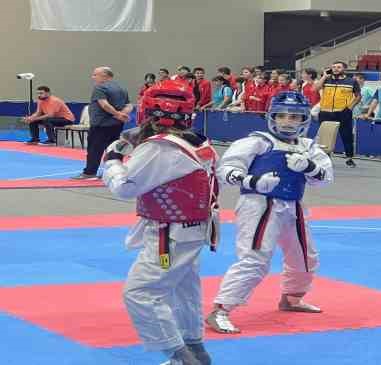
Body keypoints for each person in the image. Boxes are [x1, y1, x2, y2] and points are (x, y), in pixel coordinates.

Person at [102, 80, 219, 364]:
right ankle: (195, 351)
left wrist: (113, 159)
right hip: (192, 229)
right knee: (183, 290)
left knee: (140, 292)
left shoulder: (159, 148)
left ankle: (181, 356)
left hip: (170, 233)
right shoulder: (196, 140)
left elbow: (125, 186)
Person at [206, 91, 333, 334]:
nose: (288, 121)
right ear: (271, 116)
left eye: (295, 117)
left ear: (304, 119)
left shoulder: (308, 147)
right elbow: (226, 170)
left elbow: (324, 179)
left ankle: (292, 298)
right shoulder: (257, 141)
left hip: (293, 205)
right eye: (282, 115)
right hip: (260, 205)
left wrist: (310, 166)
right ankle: (220, 310)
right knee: (254, 259)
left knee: (305, 257)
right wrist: (252, 181)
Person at [72, 67, 131, 180]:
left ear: (104, 75)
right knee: (114, 148)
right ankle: (114, 172)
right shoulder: (122, 88)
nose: (93, 77)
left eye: (95, 75)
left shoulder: (100, 88)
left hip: (101, 124)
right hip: (116, 124)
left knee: (94, 148)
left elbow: (104, 104)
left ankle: (89, 173)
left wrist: (117, 114)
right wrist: (121, 114)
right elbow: (129, 105)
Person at [314, 61, 361, 167]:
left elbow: (358, 96)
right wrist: (324, 76)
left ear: (344, 69)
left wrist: (350, 108)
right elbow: (315, 89)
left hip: (343, 112)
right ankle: (326, 158)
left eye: (339, 67)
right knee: (325, 136)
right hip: (325, 112)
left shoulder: (351, 81)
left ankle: (349, 158)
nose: (335, 69)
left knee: (346, 136)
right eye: (334, 67)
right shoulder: (326, 80)